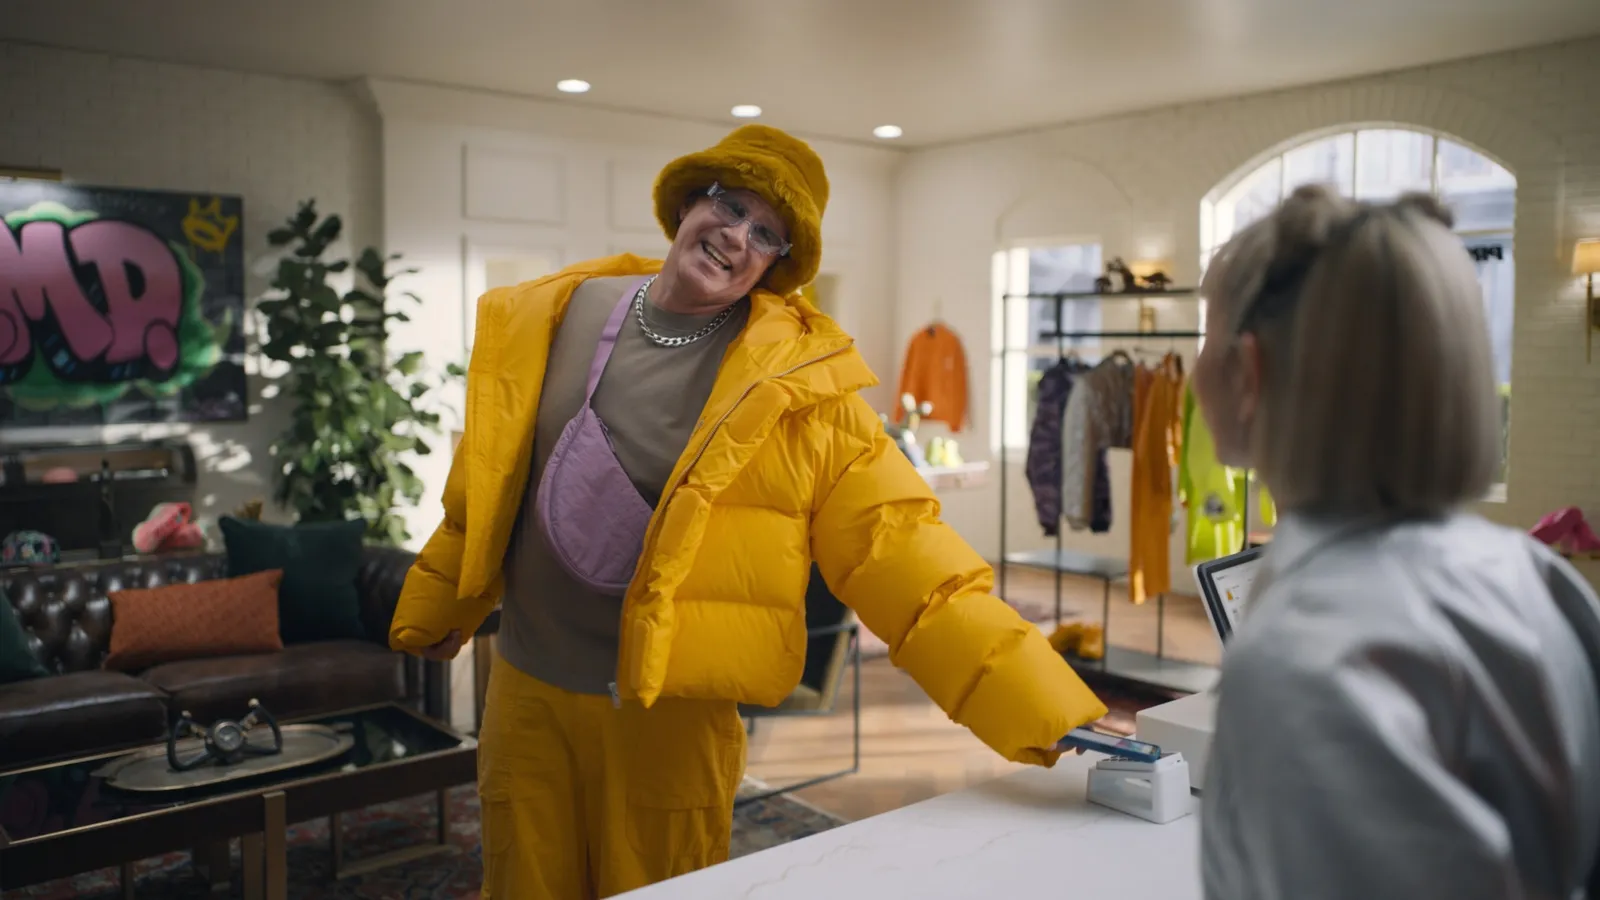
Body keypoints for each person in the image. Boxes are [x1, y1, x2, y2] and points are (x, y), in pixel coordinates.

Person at [387, 123, 1109, 900]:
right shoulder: (550, 315)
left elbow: (906, 559)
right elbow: (485, 487)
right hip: (525, 694)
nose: (735, 237)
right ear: (690, 202)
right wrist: (437, 603)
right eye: (729, 207)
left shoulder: (799, 391)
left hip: (667, 719)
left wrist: (1046, 708)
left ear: (778, 265)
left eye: (766, 234)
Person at [1192, 183, 1600, 899]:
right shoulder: (1540, 577)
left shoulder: (1304, 663)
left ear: (1249, 374)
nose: (1194, 370)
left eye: (1207, 338)